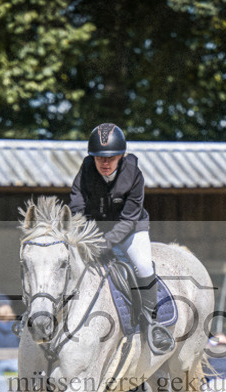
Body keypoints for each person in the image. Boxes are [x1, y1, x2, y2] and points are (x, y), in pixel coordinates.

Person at [68, 122, 173, 355]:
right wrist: (85, 236)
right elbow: (77, 207)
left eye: (111, 158)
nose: (104, 163)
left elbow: (129, 218)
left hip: (131, 229)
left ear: (121, 156)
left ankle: (152, 323)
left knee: (144, 266)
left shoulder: (133, 174)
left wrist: (106, 244)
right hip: (94, 231)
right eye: (99, 158)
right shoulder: (86, 171)